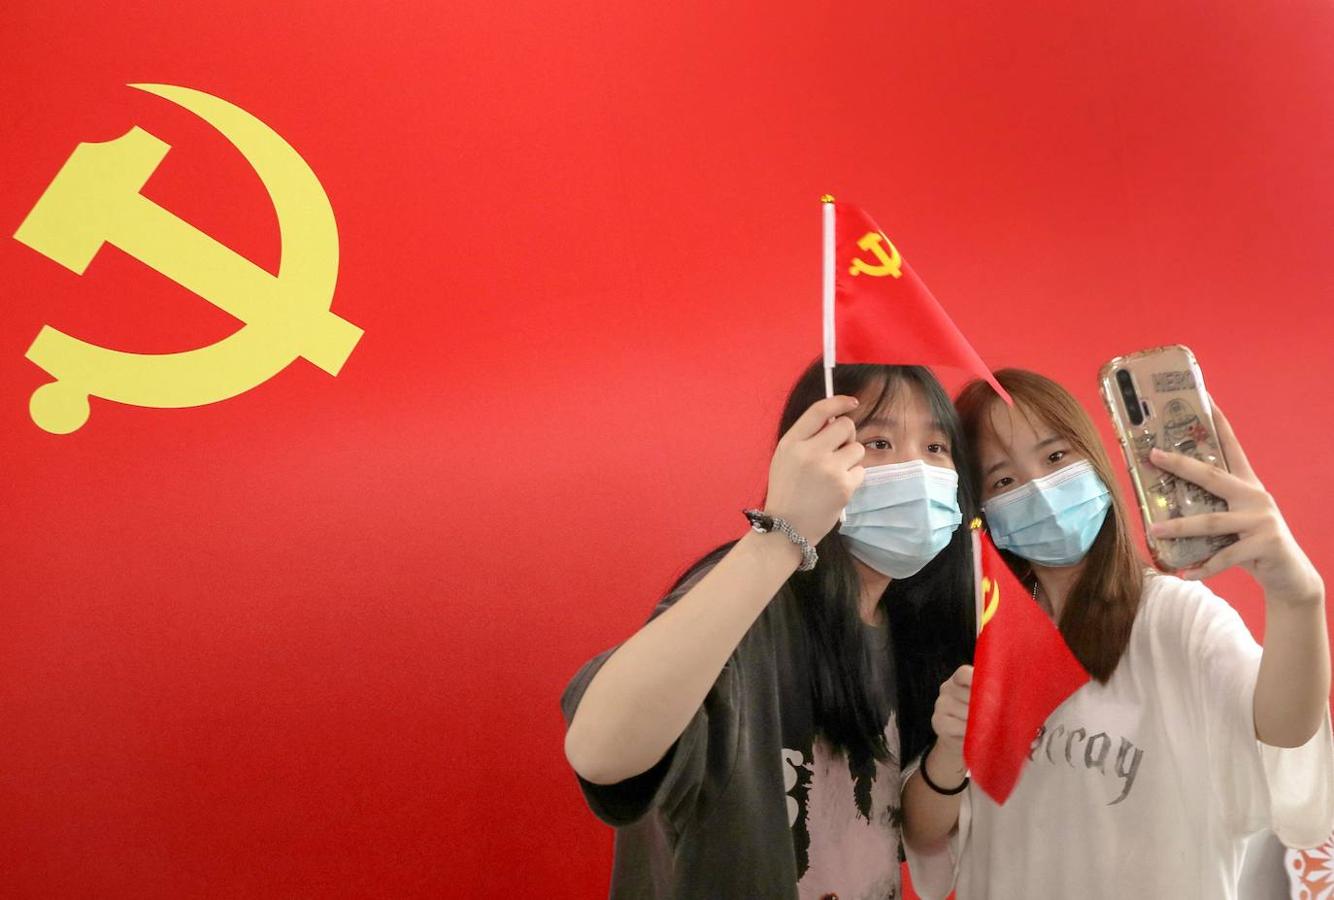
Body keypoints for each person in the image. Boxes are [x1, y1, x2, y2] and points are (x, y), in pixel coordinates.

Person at [901, 368, 1334, 899]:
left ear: (1098, 462)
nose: (1038, 487)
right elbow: (925, 833)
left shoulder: (1172, 617)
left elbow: (1284, 729)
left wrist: (1298, 597)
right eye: (1003, 480)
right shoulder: (984, 632)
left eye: (1056, 457)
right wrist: (949, 749)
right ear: (982, 511)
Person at [561, 361, 978, 899]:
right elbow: (602, 753)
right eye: (877, 442)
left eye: (936, 448)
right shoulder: (748, 602)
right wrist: (784, 532)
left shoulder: (911, 628)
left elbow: (911, 827)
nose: (915, 468)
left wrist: (952, 745)